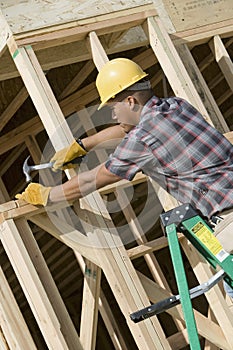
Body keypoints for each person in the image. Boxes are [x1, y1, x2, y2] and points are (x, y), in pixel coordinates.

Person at [16, 58, 233, 296]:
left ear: (130, 101)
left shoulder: (140, 140)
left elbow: (95, 178)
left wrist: (48, 195)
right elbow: (126, 129)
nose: (112, 115)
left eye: (113, 107)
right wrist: (82, 145)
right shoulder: (177, 106)